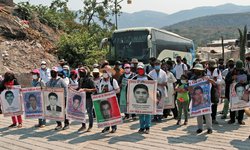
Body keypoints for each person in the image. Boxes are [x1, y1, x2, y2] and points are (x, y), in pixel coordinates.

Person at [189, 64, 213, 134]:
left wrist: (210, 81)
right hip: (197, 100)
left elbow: (214, 84)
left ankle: (209, 128)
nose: (197, 71)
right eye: (196, 70)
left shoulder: (206, 77)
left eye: (198, 70)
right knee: (199, 114)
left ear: (202, 71)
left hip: (206, 99)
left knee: (207, 114)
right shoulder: (193, 78)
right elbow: (190, 88)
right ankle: (200, 128)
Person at [132, 62, 153, 134]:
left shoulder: (148, 77)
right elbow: (130, 86)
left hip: (147, 98)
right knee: (140, 113)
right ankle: (141, 127)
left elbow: (153, 86)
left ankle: (147, 127)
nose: (140, 70)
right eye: (138, 69)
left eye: (141, 69)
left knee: (147, 113)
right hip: (138, 99)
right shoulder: (134, 77)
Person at [98, 65, 120, 133]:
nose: (104, 73)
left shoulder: (113, 81)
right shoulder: (101, 80)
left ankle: (114, 127)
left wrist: (110, 93)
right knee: (105, 114)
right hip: (103, 100)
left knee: (112, 114)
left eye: (106, 72)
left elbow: (118, 90)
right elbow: (99, 90)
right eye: (104, 72)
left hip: (112, 100)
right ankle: (106, 127)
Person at [226, 60, 249, 125]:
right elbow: (226, 81)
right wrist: (232, 78)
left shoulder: (244, 71)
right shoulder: (231, 72)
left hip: (241, 91)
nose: (239, 70)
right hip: (233, 92)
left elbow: (248, 80)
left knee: (241, 105)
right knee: (233, 106)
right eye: (238, 69)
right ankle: (232, 119)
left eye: (240, 69)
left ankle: (240, 120)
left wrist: (245, 82)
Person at [77, 66, 96, 132]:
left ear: (86, 72)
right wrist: (72, 89)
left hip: (88, 98)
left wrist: (86, 90)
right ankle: (83, 126)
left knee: (89, 112)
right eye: (80, 72)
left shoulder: (90, 79)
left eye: (82, 72)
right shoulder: (80, 79)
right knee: (81, 112)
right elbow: (79, 88)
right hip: (81, 98)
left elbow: (94, 89)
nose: (81, 73)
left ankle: (90, 126)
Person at [205, 59, 222, 124]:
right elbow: (202, 79)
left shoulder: (217, 71)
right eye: (211, 66)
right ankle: (205, 119)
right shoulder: (205, 71)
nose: (212, 68)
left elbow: (220, 80)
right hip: (206, 89)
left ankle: (213, 118)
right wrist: (208, 81)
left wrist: (214, 81)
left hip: (214, 89)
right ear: (208, 65)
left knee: (214, 104)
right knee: (206, 104)